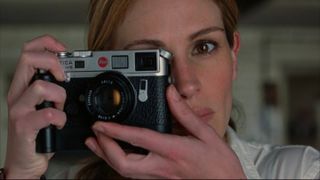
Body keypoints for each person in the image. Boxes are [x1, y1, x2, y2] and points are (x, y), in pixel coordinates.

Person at [3, 0, 320, 179]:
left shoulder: (299, 171)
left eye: (204, 47)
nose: (185, 85)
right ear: (106, 76)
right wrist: (19, 175)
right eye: (151, 63)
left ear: (233, 55)